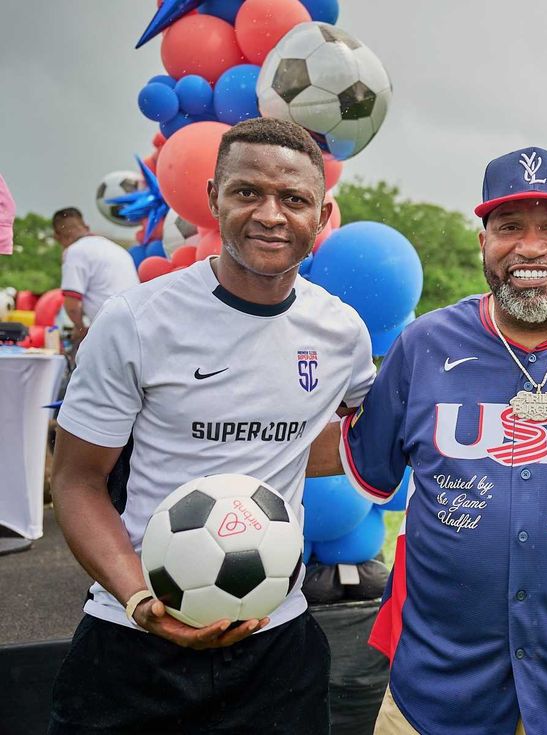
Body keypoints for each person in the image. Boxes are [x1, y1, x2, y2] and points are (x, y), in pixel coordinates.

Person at [48, 117, 376, 734]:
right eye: (247, 192)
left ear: (322, 215)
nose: (270, 215)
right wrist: (140, 599)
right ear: (212, 200)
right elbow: (77, 480)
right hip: (134, 645)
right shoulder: (137, 321)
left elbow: (369, 436)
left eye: (294, 199)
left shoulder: (341, 333)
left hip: (277, 650)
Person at [335, 147, 547, 735]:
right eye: (509, 227)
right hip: (436, 690)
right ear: (483, 239)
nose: (531, 247)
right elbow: (364, 465)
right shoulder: (425, 344)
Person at [51, 206, 139, 346]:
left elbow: (72, 305)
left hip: (110, 329)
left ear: (58, 236)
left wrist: (80, 329)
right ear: (86, 227)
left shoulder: (75, 251)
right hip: (136, 326)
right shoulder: (117, 249)